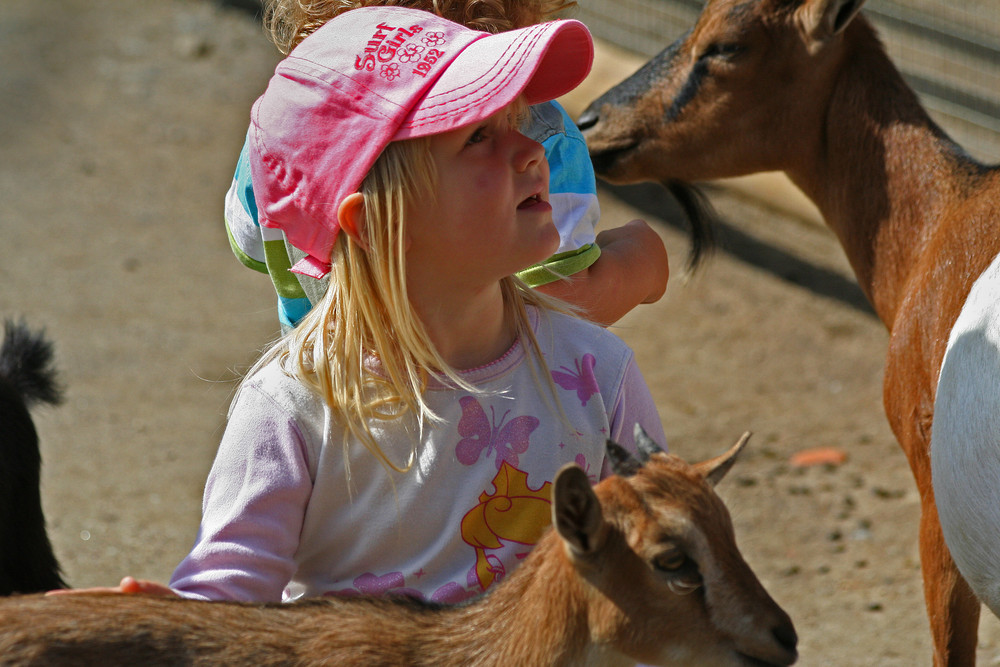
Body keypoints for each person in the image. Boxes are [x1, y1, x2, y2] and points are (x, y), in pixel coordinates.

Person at [60, 7, 668, 604]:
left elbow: (661, 569)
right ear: (375, 221)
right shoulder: (295, 406)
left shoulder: (597, 376)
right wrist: (176, 630)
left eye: (518, 122)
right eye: (479, 135)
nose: (534, 150)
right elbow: (232, 591)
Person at [226, 0, 669, 331]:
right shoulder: (541, 133)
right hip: (503, 429)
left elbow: (254, 248)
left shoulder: (275, 132)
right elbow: (560, 312)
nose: (519, 144)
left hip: (331, 394)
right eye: (478, 134)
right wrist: (640, 263)